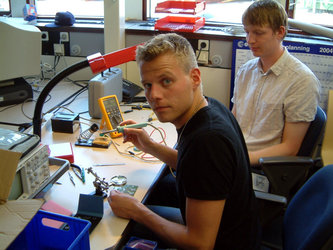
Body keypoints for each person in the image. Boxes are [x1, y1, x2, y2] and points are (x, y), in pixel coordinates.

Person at [107, 33, 261, 249]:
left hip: (217, 242)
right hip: (233, 233)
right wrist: (148, 145)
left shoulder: (208, 140)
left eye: (166, 81)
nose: (154, 95)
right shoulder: (210, 107)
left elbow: (200, 244)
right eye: (148, 85)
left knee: (118, 231)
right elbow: (196, 167)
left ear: (195, 78)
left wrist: (137, 210)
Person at [231, 0, 320, 165]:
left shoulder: (302, 81)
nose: (250, 40)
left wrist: (238, 160)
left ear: (280, 32)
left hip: (261, 167)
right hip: (235, 154)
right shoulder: (245, 71)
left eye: (258, 33)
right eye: (247, 32)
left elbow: (290, 148)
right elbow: (234, 124)